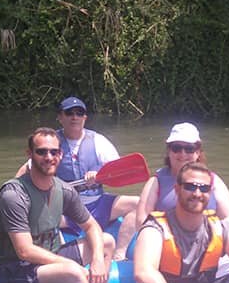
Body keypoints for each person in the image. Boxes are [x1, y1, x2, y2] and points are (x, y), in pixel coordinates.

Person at [0, 127, 116, 283]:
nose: (48, 157)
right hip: (16, 271)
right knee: (73, 272)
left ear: (61, 155)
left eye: (54, 152)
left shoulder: (64, 190)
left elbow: (92, 227)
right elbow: (24, 251)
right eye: (41, 152)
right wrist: (69, 264)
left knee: (106, 242)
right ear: (29, 154)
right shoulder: (14, 195)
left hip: (49, 258)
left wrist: (98, 260)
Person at [16, 96, 138, 260]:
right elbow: (27, 168)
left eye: (79, 113)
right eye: (69, 113)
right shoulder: (51, 144)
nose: (75, 117)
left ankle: (119, 254)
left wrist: (98, 175)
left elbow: (118, 169)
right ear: (60, 117)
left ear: (85, 118)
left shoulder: (98, 141)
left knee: (137, 203)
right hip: (66, 209)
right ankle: (53, 253)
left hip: (97, 203)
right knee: (36, 216)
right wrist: (11, 190)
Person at [135, 122, 229, 227]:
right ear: (169, 151)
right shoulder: (156, 182)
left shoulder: (214, 181)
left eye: (189, 149)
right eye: (176, 148)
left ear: (197, 152)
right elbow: (141, 220)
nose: (183, 154)